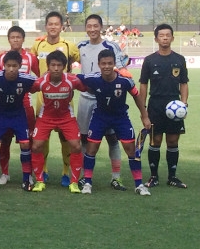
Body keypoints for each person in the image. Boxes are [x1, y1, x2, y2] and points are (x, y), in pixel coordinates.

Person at [78, 49, 152, 196]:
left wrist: (145, 116)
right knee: (91, 149)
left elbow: (137, 97)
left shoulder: (125, 80)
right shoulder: (92, 78)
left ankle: (139, 185)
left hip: (120, 118)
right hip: (100, 117)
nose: (106, 66)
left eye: (109, 63)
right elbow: (74, 80)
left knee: (131, 150)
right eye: (103, 63)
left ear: (114, 64)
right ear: (98, 64)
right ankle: (87, 182)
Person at [76, 14, 128, 191]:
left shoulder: (111, 46)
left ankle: (116, 177)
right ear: (85, 28)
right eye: (89, 26)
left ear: (101, 27)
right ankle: (85, 176)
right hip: (86, 98)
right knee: (84, 138)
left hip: (108, 100)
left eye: (95, 26)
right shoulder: (80, 46)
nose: (92, 29)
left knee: (112, 138)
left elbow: (121, 68)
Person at [30, 11, 80, 186]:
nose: (53, 27)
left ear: (61, 26)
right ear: (46, 26)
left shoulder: (69, 46)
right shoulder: (38, 46)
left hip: (65, 100)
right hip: (43, 100)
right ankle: (43, 171)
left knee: (66, 139)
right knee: (42, 140)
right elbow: (35, 69)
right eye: (50, 24)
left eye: (56, 24)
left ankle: (66, 172)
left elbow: (76, 62)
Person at [29, 51, 87, 193]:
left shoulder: (72, 80)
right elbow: (28, 89)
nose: (56, 68)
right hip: (46, 117)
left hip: (66, 117)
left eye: (59, 65)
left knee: (76, 146)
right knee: (36, 146)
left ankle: (73, 182)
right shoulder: (41, 81)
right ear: (48, 67)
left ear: (64, 67)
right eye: (53, 65)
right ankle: (39, 180)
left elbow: (87, 87)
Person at [139, 23, 189, 189]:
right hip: (156, 105)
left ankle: (172, 177)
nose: (165, 38)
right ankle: (154, 177)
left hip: (174, 103)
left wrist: (184, 104)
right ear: (156, 39)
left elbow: (183, 83)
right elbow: (143, 85)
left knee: (173, 141)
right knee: (155, 140)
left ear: (172, 38)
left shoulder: (179, 60)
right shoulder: (150, 60)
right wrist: (143, 110)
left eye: (168, 35)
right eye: (162, 35)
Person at [0, 51, 37, 192]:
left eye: (14, 66)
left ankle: (27, 178)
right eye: (8, 65)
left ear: (20, 66)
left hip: (18, 114)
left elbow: (41, 86)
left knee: (25, 144)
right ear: (3, 66)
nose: (11, 69)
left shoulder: (27, 79)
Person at [0, 26, 39, 186]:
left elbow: (41, 76)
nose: (15, 40)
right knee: (5, 141)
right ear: (8, 39)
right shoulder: (1, 58)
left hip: (25, 105)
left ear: (23, 39)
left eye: (18, 37)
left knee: (27, 142)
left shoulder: (31, 57)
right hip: (5, 106)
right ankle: (5, 173)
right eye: (12, 37)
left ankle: (27, 174)